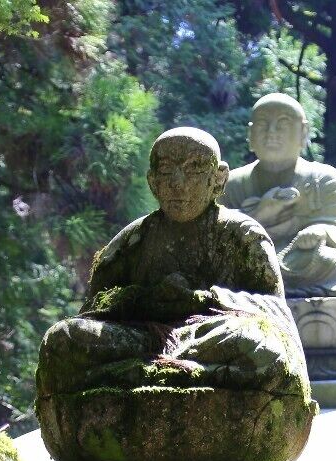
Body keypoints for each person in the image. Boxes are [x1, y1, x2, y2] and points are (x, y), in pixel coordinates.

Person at [36, 126, 309, 401]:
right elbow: (95, 309)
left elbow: (274, 311)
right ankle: (166, 373)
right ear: (152, 181)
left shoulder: (242, 235)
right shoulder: (134, 240)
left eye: (193, 169)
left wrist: (204, 300)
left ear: (218, 179)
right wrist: (143, 299)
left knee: (262, 348)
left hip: (208, 339)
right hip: (143, 341)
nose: (178, 183)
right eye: (166, 171)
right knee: (65, 338)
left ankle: (147, 374)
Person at [222, 93, 336, 300]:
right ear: (250, 135)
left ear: (303, 133)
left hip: (298, 258)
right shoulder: (232, 183)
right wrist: (259, 214)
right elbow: (215, 234)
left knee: (332, 262)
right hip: (248, 258)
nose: (271, 133)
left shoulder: (324, 178)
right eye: (263, 125)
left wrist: (318, 232)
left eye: (282, 125)